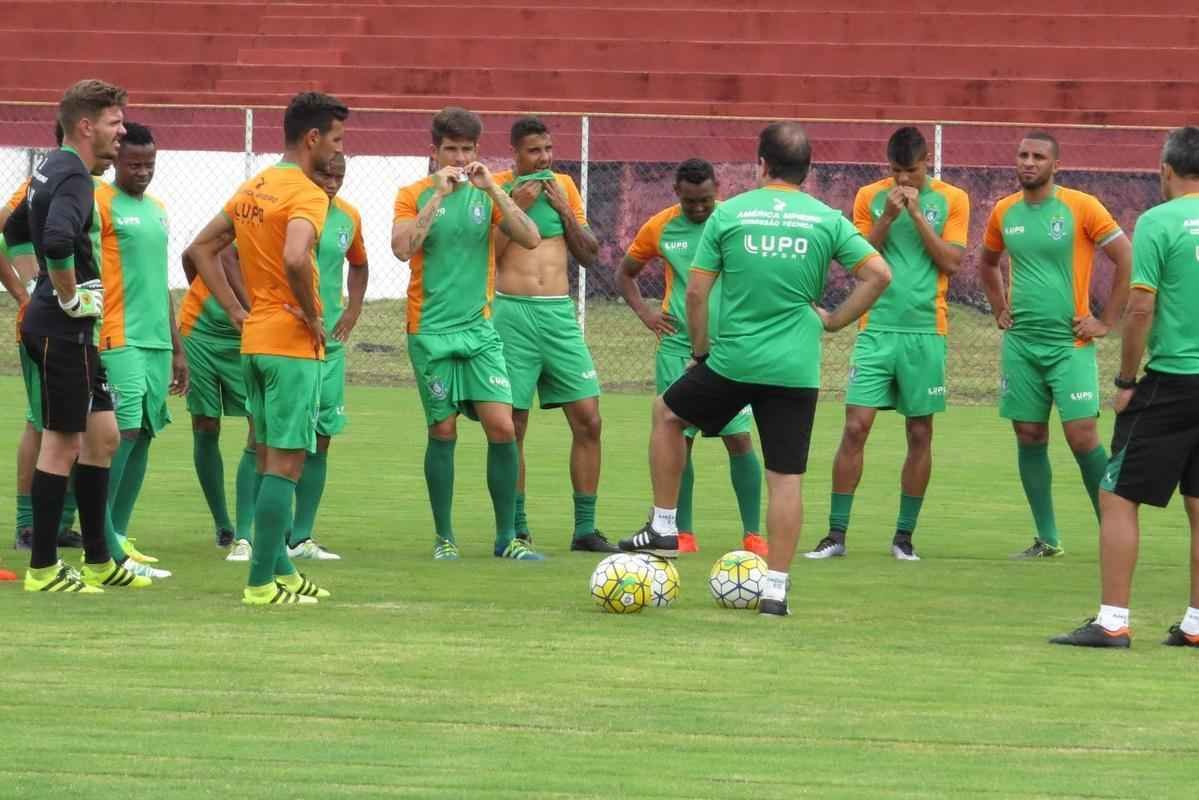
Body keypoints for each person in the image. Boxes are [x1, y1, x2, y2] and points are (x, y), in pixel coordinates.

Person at [618, 122, 892, 617]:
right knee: (784, 477)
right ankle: (777, 589)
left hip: (735, 360)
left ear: (760, 162)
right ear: (807, 170)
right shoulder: (825, 219)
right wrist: (832, 322)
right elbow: (879, 274)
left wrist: (700, 351)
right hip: (796, 367)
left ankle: (663, 524)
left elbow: (697, 293)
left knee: (666, 412)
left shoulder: (733, 214)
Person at [185, 91, 348, 605]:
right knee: (286, 464)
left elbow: (199, 249)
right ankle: (260, 583)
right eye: (337, 139)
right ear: (313, 138)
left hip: (254, 342)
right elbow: (297, 256)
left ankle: (281, 569)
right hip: (290, 347)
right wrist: (314, 312)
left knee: (263, 456)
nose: (340, 150)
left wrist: (237, 310)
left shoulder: (254, 185)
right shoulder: (306, 193)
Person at [1051, 126, 1199, 649]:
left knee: (1115, 493)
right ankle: (1196, 623)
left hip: (1175, 378)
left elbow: (1140, 306)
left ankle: (1112, 620)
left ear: (1165, 170)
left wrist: (1127, 381)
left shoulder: (1159, 222)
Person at [4, 79, 151, 592]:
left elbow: (15, 230)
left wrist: (35, 281)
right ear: (86, 126)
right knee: (62, 443)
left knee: (103, 437)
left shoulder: (51, 166)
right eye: (115, 122)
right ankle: (42, 568)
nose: (123, 131)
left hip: (71, 330)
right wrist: (64, 293)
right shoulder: (73, 177)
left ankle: (98, 560)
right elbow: (57, 237)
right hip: (63, 329)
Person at [807, 127, 969, 562]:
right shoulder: (868, 196)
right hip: (875, 328)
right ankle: (835, 535)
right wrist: (889, 218)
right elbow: (857, 256)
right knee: (855, 427)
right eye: (895, 171)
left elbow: (952, 262)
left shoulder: (953, 199)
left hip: (924, 332)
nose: (903, 181)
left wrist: (917, 216)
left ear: (926, 164)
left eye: (911, 172)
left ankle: (903, 538)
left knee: (919, 432)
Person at [391, 107, 544, 561]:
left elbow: (530, 237)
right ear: (433, 151)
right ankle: (445, 539)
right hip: (430, 332)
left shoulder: (488, 193)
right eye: (450, 150)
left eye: (466, 149)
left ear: (478, 150)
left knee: (502, 427)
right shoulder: (414, 194)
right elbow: (402, 249)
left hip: (479, 331)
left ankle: (506, 539)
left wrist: (495, 189)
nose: (458, 158)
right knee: (442, 429)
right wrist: (438, 198)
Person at [979, 132, 1132, 559]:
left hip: (1071, 344)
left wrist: (1106, 320)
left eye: (1038, 156)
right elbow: (987, 262)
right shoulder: (1004, 211)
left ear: (1055, 165)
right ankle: (1047, 538)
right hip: (1022, 346)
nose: (1028, 162)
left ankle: (1113, 530)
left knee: (1082, 435)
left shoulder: (1080, 206)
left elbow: (1125, 256)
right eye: (1023, 155)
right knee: (1029, 434)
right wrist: (998, 306)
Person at [617, 158, 765, 557]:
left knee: (738, 438)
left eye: (705, 200)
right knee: (679, 438)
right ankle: (683, 533)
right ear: (676, 193)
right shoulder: (661, 226)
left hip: (728, 350)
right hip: (677, 348)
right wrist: (647, 313)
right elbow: (626, 272)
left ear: (718, 187)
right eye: (690, 202)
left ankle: (753, 533)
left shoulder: (735, 221)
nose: (699, 208)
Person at [490, 117, 612, 553]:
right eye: (533, 151)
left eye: (547, 149)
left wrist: (563, 208)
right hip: (512, 315)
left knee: (589, 419)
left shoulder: (564, 185)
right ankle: (517, 526)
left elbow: (589, 253)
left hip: (559, 315)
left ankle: (585, 528)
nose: (543, 158)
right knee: (513, 425)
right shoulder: (497, 187)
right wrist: (512, 207)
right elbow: (490, 256)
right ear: (515, 155)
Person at [95, 121, 187, 571]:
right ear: (116, 160)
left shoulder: (158, 209)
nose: (143, 172)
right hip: (118, 335)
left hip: (155, 341)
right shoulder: (100, 202)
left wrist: (178, 346)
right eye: (134, 164)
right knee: (121, 435)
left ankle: (119, 535)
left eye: (150, 164)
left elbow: (160, 280)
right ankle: (102, 541)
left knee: (145, 434)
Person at [282, 150, 369, 561]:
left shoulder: (348, 216)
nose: (331, 182)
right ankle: (266, 530)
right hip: (287, 341)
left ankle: (301, 536)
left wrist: (352, 309)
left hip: (329, 346)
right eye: (324, 174)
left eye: (339, 175)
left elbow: (359, 264)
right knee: (276, 438)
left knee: (321, 436)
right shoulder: (293, 208)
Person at [6, 126, 84, 551]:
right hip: (51, 320)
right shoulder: (47, 182)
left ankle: (61, 522)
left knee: (79, 421)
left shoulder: (88, 187)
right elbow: (7, 228)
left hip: (86, 323)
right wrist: (25, 288)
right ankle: (28, 524)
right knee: (43, 421)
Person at [179, 221, 256, 559]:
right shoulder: (245, 212)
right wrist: (244, 306)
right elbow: (198, 254)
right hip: (201, 331)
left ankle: (249, 526)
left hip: (248, 337)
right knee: (205, 424)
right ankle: (224, 524)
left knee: (260, 427)